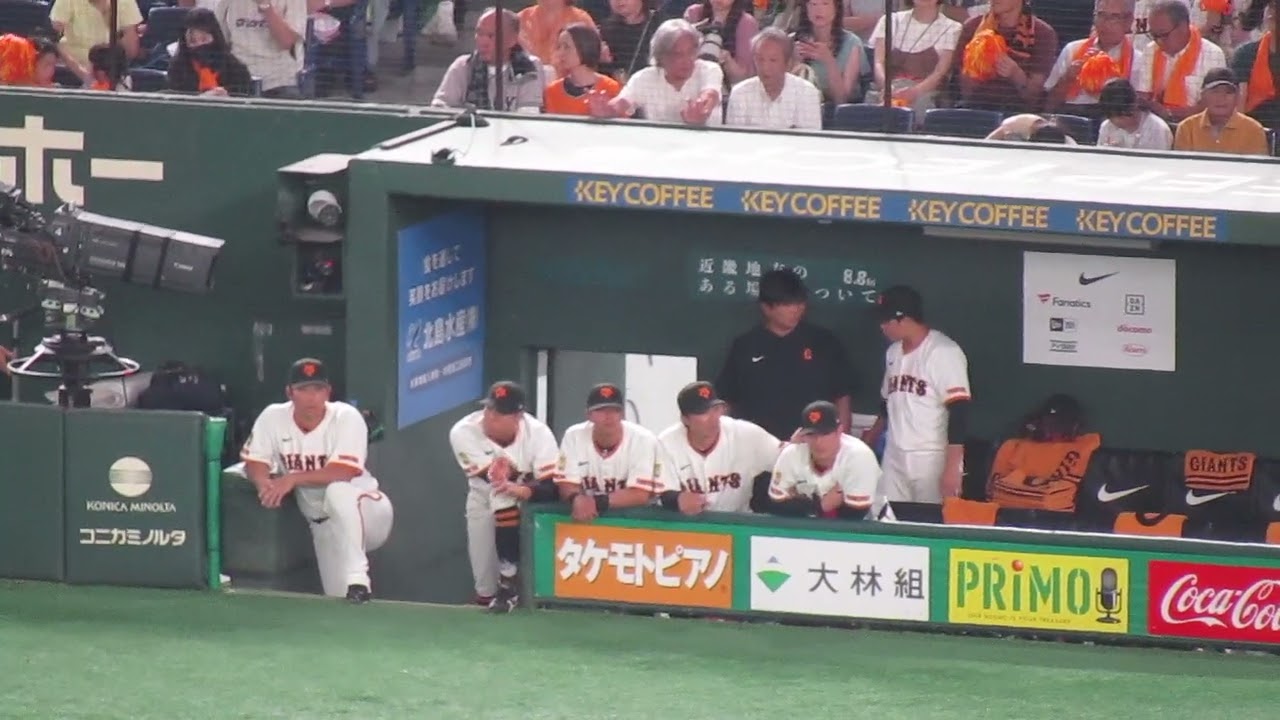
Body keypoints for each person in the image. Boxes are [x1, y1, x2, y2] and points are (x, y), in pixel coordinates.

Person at [239, 358, 394, 604]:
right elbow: (255, 460)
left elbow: (344, 471)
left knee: (338, 491)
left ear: (328, 392)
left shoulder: (345, 417)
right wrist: (263, 484)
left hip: (368, 512)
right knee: (340, 602)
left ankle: (358, 577)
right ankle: (356, 592)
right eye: (303, 389)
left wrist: (292, 478)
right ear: (290, 392)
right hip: (323, 526)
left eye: (318, 389)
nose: (311, 397)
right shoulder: (273, 417)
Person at [448, 380, 559, 613]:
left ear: (518, 416)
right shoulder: (463, 431)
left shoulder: (538, 434)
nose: (490, 416)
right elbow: (493, 480)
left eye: (499, 413)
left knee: (504, 499)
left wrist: (525, 490)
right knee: (484, 579)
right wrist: (506, 475)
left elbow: (552, 485)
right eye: (489, 408)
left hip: (530, 502)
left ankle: (509, 583)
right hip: (482, 496)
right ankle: (491, 598)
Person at [714, 268, 856, 443]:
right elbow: (727, 398)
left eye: (800, 303)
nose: (797, 309)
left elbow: (842, 396)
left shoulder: (824, 342)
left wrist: (842, 442)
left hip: (813, 444)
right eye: (788, 304)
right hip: (757, 446)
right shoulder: (745, 346)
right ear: (766, 307)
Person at [862, 285, 971, 505]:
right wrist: (870, 440)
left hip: (930, 456)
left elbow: (959, 410)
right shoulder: (893, 352)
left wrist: (953, 468)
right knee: (888, 516)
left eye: (886, 321)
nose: (882, 326)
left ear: (904, 319)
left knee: (929, 518)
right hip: (894, 453)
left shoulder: (942, 352)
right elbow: (887, 403)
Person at [655, 381, 786, 515]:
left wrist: (794, 449)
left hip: (736, 522)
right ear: (685, 419)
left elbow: (786, 459)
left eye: (716, 409)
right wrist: (677, 500)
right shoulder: (667, 443)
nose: (713, 418)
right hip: (685, 524)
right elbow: (657, 491)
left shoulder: (745, 434)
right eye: (703, 412)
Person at [555, 383, 659, 522]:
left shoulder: (643, 439)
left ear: (622, 414)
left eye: (614, 410)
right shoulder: (574, 436)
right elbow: (566, 483)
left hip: (637, 523)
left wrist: (595, 503)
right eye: (600, 410)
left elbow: (640, 494)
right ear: (589, 415)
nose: (608, 416)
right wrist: (576, 498)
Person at [765, 400, 881, 519]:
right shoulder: (792, 454)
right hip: (807, 525)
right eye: (811, 434)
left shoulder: (859, 457)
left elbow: (855, 516)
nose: (818, 442)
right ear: (802, 435)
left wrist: (801, 505)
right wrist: (820, 507)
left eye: (825, 434)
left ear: (839, 430)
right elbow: (776, 506)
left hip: (869, 525)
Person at [431, 8, 548, 111]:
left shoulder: (530, 67)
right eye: (479, 33)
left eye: (491, 36)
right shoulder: (463, 66)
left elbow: (528, 113)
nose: (483, 42)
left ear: (512, 40)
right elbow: (440, 107)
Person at [725, 28, 823, 129]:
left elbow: (809, 137)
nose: (765, 67)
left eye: (773, 60)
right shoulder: (740, 93)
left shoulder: (807, 93)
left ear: (788, 63)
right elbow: (736, 137)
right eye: (760, 59)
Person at [1174, 67, 1271, 154]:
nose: (1221, 98)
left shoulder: (1253, 130)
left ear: (1238, 97)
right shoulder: (1187, 128)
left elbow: (1256, 167)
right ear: (1203, 95)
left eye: (1228, 92)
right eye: (1215, 91)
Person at [167, 7, 255, 96]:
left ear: (215, 37)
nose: (199, 44)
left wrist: (227, 98)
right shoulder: (177, 69)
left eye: (204, 39)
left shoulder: (235, 69)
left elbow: (245, 98)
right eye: (193, 41)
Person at [544, 23, 622, 114]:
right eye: (559, 47)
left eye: (566, 47)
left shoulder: (610, 88)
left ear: (585, 47)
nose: (560, 53)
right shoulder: (552, 91)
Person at [1095, 76, 1174, 149]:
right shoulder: (1107, 127)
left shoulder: (1157, 129)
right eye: (1110, 116)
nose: (1115, 121)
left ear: (1133, 107)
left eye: (1120, 116)